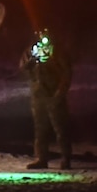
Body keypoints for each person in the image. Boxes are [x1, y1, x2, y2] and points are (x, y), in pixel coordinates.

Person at [22, 28, 74, 169]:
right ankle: (41, 158)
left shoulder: (57, 52)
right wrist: (32, 60)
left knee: (60, 128)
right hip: (38, 95)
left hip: (53, 94)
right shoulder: (31, 51)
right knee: (40, 129)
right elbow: (23, 67)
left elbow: (67, 74)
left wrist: (59, 93)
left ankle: (66, 158)